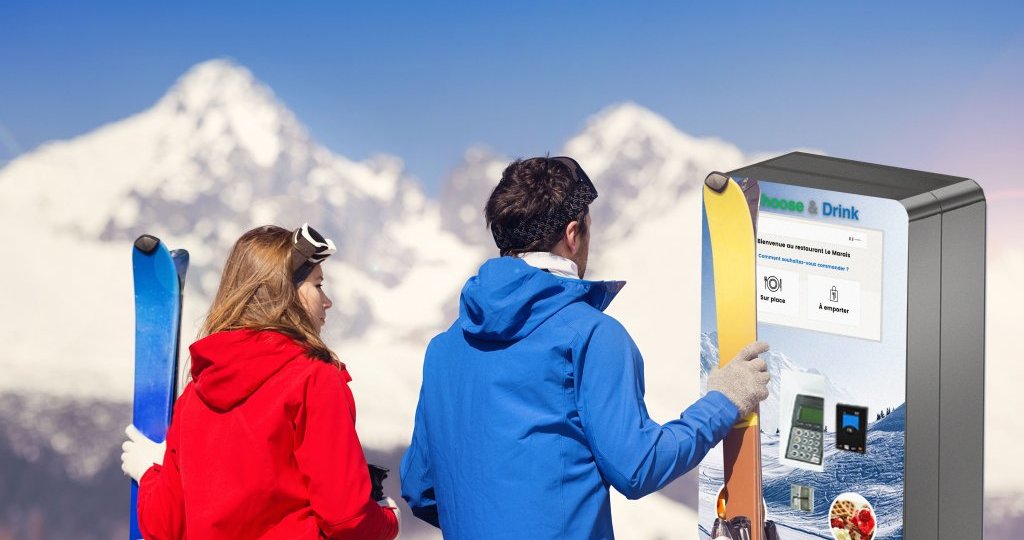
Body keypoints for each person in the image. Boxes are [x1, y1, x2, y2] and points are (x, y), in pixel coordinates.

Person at [400, 156, 770, 539]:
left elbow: (420, 486)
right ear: (573, 233)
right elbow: (638, 465)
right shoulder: (592, 335)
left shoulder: (443, 349)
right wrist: (723, 400)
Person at [120, 224, 400, 540]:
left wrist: (149, 473)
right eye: (317, 285)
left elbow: (163, 526)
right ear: (285, 293)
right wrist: (388, 521)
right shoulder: (315, 380)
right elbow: (346, 519)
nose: (327, 301)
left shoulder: (195, 395)